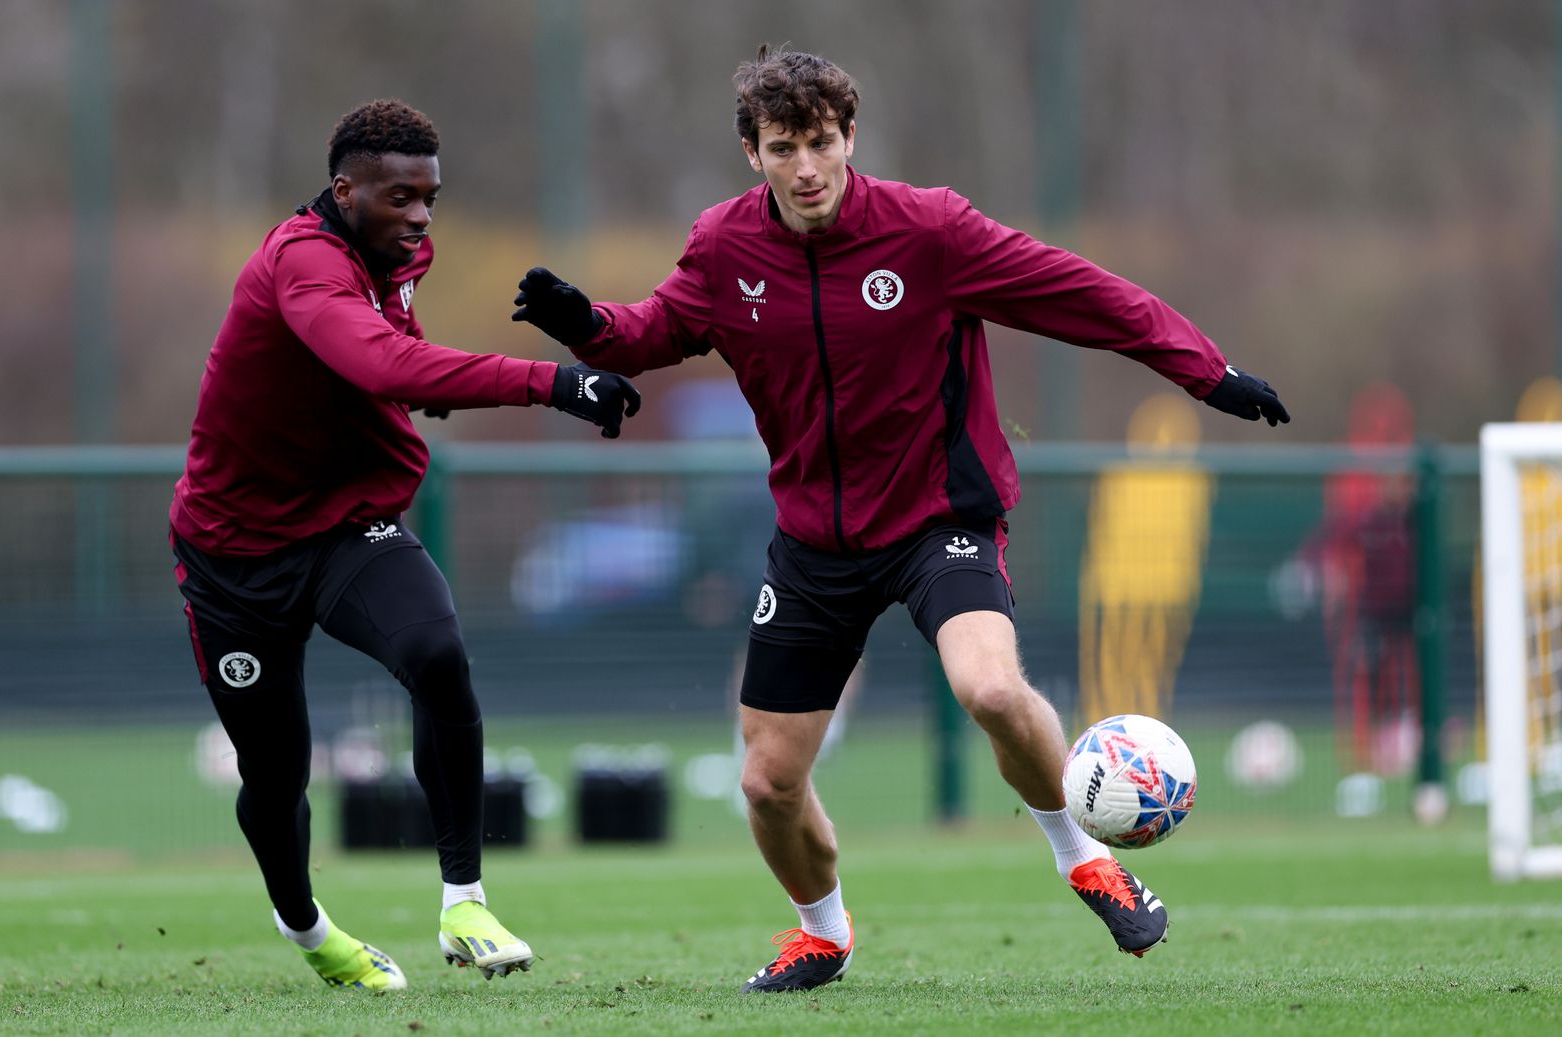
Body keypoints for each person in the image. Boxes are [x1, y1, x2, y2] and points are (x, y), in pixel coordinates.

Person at [509, 48, 1288, 993]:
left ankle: (1086, 855)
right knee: (766, 782)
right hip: (813, 545)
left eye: (823, 143)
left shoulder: (930, 231)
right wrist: (581, 323)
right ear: (752, 154)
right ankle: (823, 932)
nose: (807, 168)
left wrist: (1205, 371)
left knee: (992, 691)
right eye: (785, 146)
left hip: (938, 520)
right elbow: (648, 334)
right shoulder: (723, 248)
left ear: (851, 139)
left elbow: (1084, 293)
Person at [170, 99, 641, 992]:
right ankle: (308, 928)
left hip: (348, 523)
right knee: (276, 774)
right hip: (235, 554)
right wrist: (549, 383)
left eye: (430, 197)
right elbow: (381, 364)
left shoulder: (402, 252)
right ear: (344, 191)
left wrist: (454, 373)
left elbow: (398, 353)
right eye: (400, 198)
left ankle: (464, 901)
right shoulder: (301, 263)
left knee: (436, 653)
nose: (421, 217)